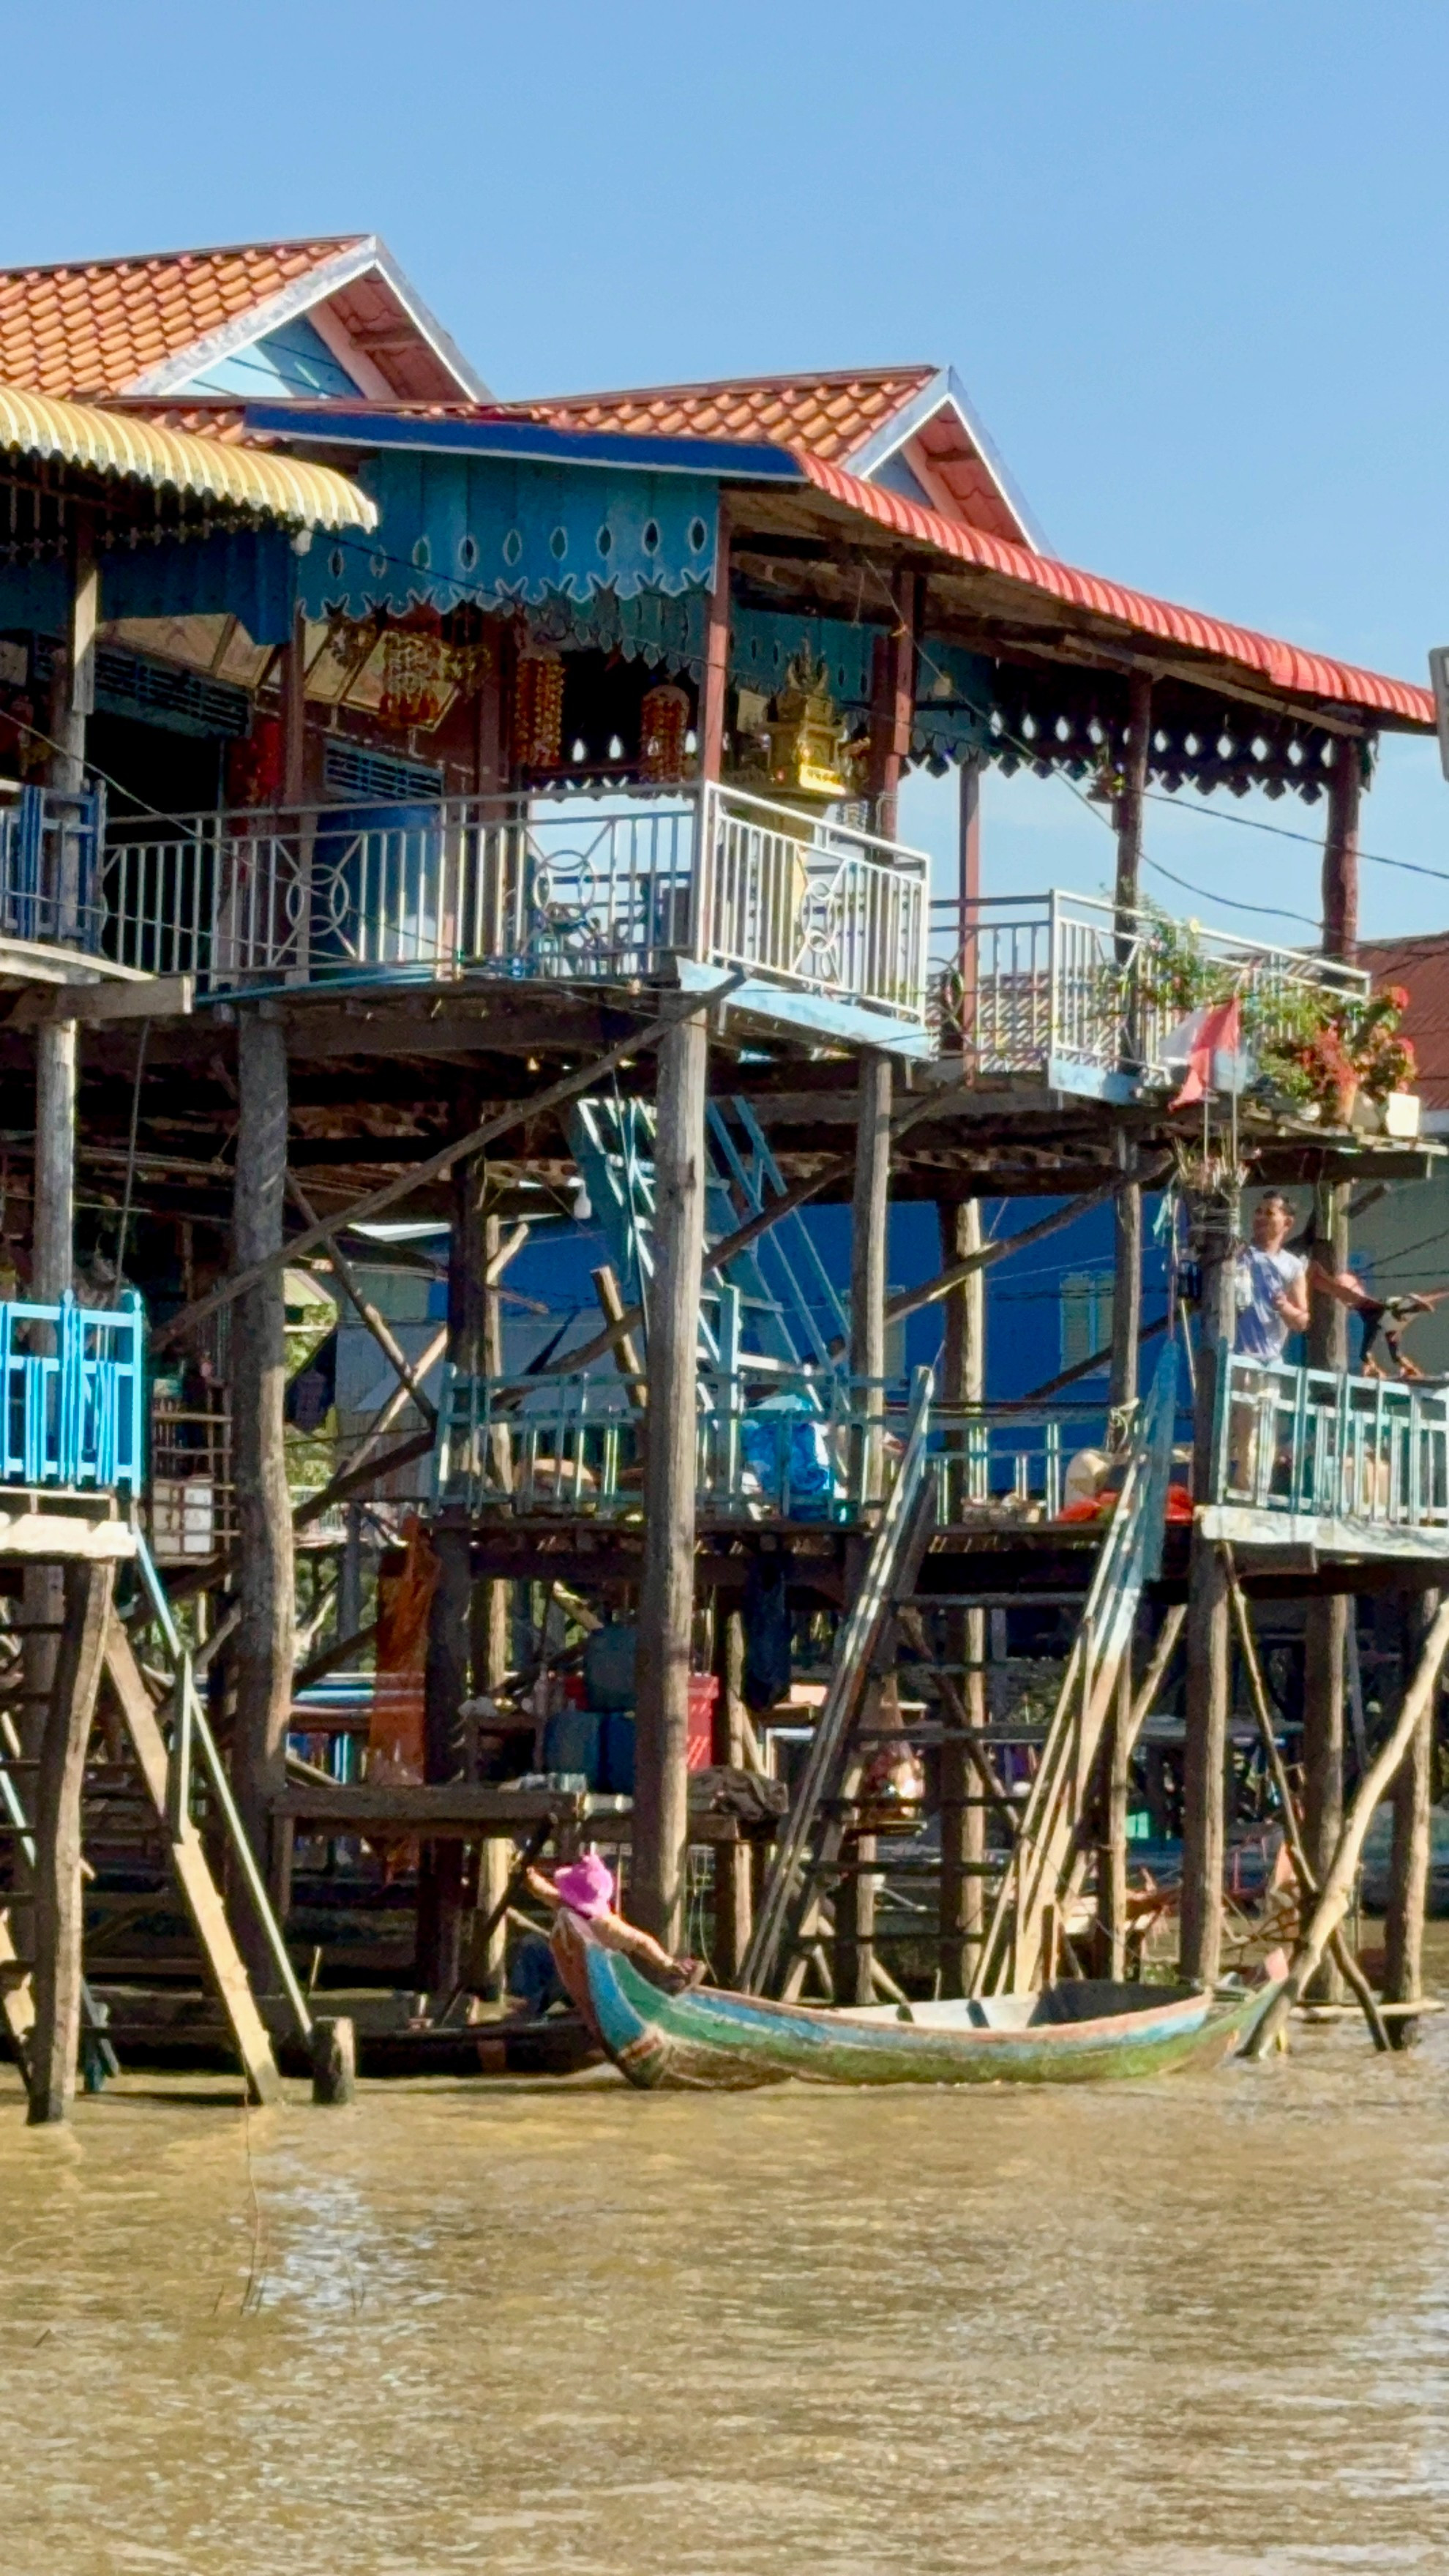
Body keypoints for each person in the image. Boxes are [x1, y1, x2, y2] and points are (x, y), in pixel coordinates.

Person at [525, 1851, 704, 1990]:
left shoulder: (606, 1924)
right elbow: (542, 1891)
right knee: (532, 1947)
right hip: (570, 1972)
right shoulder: (567, 1908)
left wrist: (667, 1963)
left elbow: (641, 1941)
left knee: (534, 1950)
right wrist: (528, 1875)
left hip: (596, 1978)